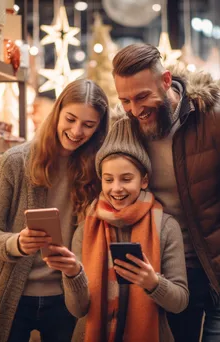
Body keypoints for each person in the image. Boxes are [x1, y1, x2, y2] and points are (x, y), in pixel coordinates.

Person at [110, 43, 220, 342]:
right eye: (125, 100)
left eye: (142, 97)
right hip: (168, 277)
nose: (135, 110)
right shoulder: (127, 130)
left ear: (166, 81)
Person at [0, 79, 109, 342]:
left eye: (88, 125)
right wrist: (17, 243)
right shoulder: (16, 161)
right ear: (57, 112)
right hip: (12, 298)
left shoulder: (98, 170)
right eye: (70, 119)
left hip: (67, 298)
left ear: (99, 128)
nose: (76, 131)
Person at [45, 117, 189, 342]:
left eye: (126, 179)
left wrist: (153, 282)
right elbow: (78, 310)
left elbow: (180, 302)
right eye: (108, 179)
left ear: (144, 180)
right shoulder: (85, 230)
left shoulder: (166, 227)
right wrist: (73, 274)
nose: (116, 188)